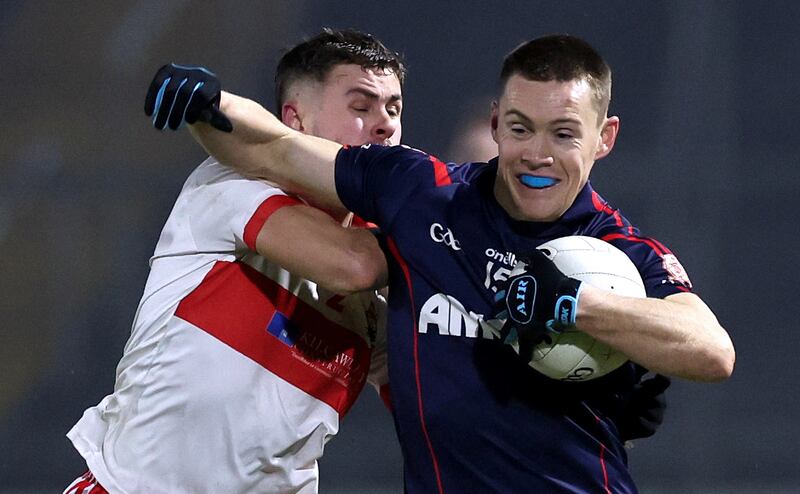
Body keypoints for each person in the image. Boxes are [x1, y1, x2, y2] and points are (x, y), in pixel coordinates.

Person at [145, 35, 704, 492]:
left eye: (563, 134)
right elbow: (278, 153)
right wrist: (208, 105)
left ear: (603, 138)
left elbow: (711, 348)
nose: (537, 153)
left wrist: (579, 314)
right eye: (519, 128)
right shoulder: (412, 202)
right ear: (494, 123)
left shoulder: (615, 247)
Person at [65, 29, 404, 494]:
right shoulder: (231, 184)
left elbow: (422, 390)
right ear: (295, 120)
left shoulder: (376, 277)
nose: (384, 124)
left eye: (393, 108)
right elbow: (352, 266)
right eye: (361, 107)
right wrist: (449, 234)